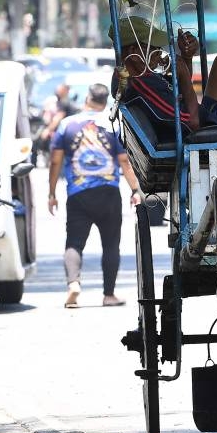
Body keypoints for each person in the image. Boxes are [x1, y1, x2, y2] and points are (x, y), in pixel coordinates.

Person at [48, 83, 141, 309]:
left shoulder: (66, 125)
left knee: (74, 243)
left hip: (78, 194)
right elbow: (124, 161)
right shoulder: (112, 125)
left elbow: (55, 160)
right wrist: (135, 189)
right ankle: (108, 295)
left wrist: (51, 193)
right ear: (104, 101)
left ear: (87, 99)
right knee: (111, 245)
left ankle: (73, 285)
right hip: (108, 193)